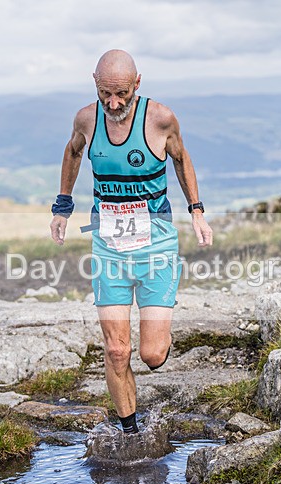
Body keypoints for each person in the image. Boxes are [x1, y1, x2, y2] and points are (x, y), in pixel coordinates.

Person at [50, 50, 213, 434]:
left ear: (137, 84)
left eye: (121, 93)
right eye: (105, 93)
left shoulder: (160, 118)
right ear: (95, 82)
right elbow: (73, 151)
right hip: (107, 242)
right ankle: (131, 433)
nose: (114, 103)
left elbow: (180, 157)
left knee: (152, 355)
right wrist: (62, 205)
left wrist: (196, 209)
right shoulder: (87, 119)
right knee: (116, 349)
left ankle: (160, 342)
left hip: (155, 242)